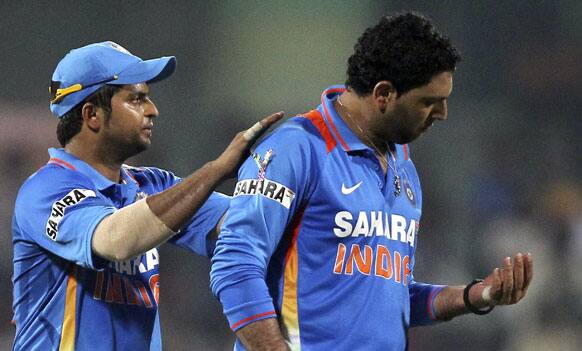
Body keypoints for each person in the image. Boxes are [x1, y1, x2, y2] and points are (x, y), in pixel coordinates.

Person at [210, 13, 533, 351]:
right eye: (428, 102)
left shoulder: (403, 167)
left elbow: (391, 297)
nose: (442, 114)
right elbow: (235, 265)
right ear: (383, 94)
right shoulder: (296, 148)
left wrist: (475, 295)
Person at [11, 41, 282, 351]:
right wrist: (215, 171)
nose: (153, 110)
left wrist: (289, 181)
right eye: (136, 99)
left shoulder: (150, 184)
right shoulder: (45, 190)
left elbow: (250, 223)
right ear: (92, 115)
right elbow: (116, 240)